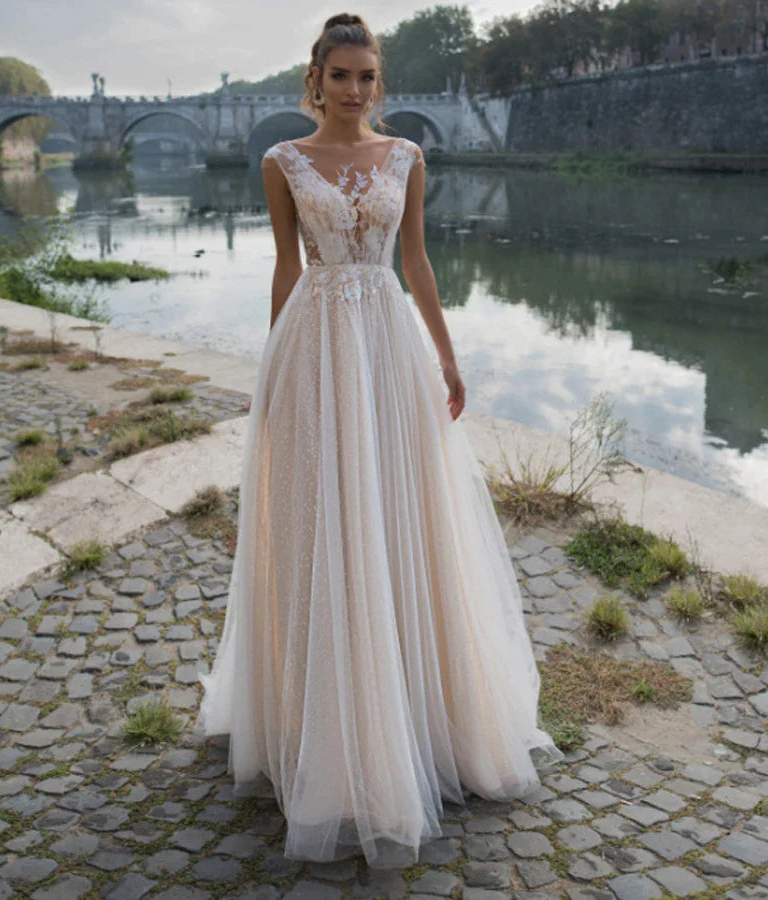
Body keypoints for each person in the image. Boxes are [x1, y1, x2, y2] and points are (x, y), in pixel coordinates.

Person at [196, 12, 561, 868]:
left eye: (368, 78)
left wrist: (449, 356)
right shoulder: (281, 163)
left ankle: (419, 711)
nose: (355, 92)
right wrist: (273, 371)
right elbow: (286, 270)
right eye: (341, 76)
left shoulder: (407, 157)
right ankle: (328, 723)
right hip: (316, 350)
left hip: (390, 351)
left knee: (404, 515)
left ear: (378, 84)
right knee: (326, 520)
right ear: (314, 78)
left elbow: (418, 265)